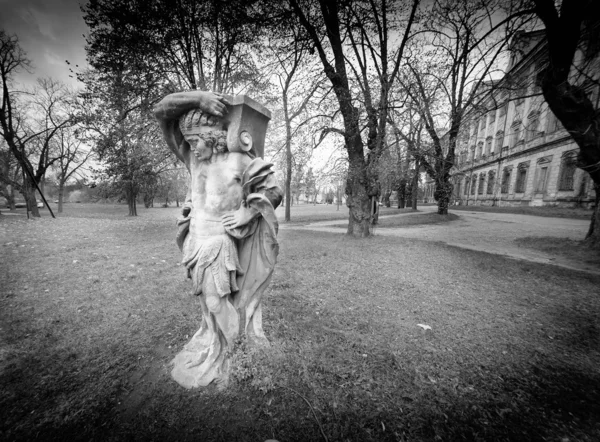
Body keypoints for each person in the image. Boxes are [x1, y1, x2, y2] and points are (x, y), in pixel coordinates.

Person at [154, 90, 282, 388]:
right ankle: (217, 346)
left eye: (196, 142)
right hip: (194, 243)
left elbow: (274, 191)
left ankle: (234, 357)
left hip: (217, 246)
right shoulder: (194, 159)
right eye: (188, 143)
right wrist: (197, 98)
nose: (191, 148)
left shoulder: (238, 161)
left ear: (212, 137)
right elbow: (161, 110)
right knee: (207, 306)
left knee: (216, 302)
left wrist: (248, 213)